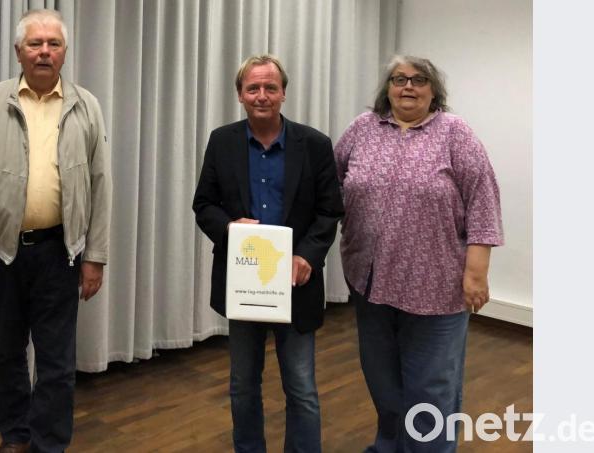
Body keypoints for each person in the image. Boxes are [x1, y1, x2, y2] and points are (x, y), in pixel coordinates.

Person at [0, 9, 111, 453]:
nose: (44, 52)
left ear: (64, 52)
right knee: (6, 353)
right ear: (18, 51)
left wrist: (94, 255)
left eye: (53, 44)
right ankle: (15, 438)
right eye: (35, 44)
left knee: (57, 362)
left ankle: (48, 445)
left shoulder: (85, 105)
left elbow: (100, 184)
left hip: (61, 253)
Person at [333, 55, 503, 452]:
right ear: (387, 88)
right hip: (369, 280)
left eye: (419, 79)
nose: (408, 86)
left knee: (430, 388)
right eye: (399, 79)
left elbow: (483, 200)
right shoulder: (363, 128)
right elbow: (332, 181)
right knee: (383, 381)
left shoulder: (453, 133)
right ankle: (389, 446)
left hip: (436, 287)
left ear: (433, 90)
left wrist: (476, 273)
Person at [193, 54, 343, 453]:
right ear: (240, 95)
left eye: (270, 88)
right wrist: (228, 228)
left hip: (297, 282)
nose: (262, 96)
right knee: (242, 385)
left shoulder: (314, 145)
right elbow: (203, 204)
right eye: (253, 88)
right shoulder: (222, 141)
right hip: (244, 285)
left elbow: (330, 210)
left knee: (302, 388)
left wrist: (308, 256)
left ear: (284, 93)